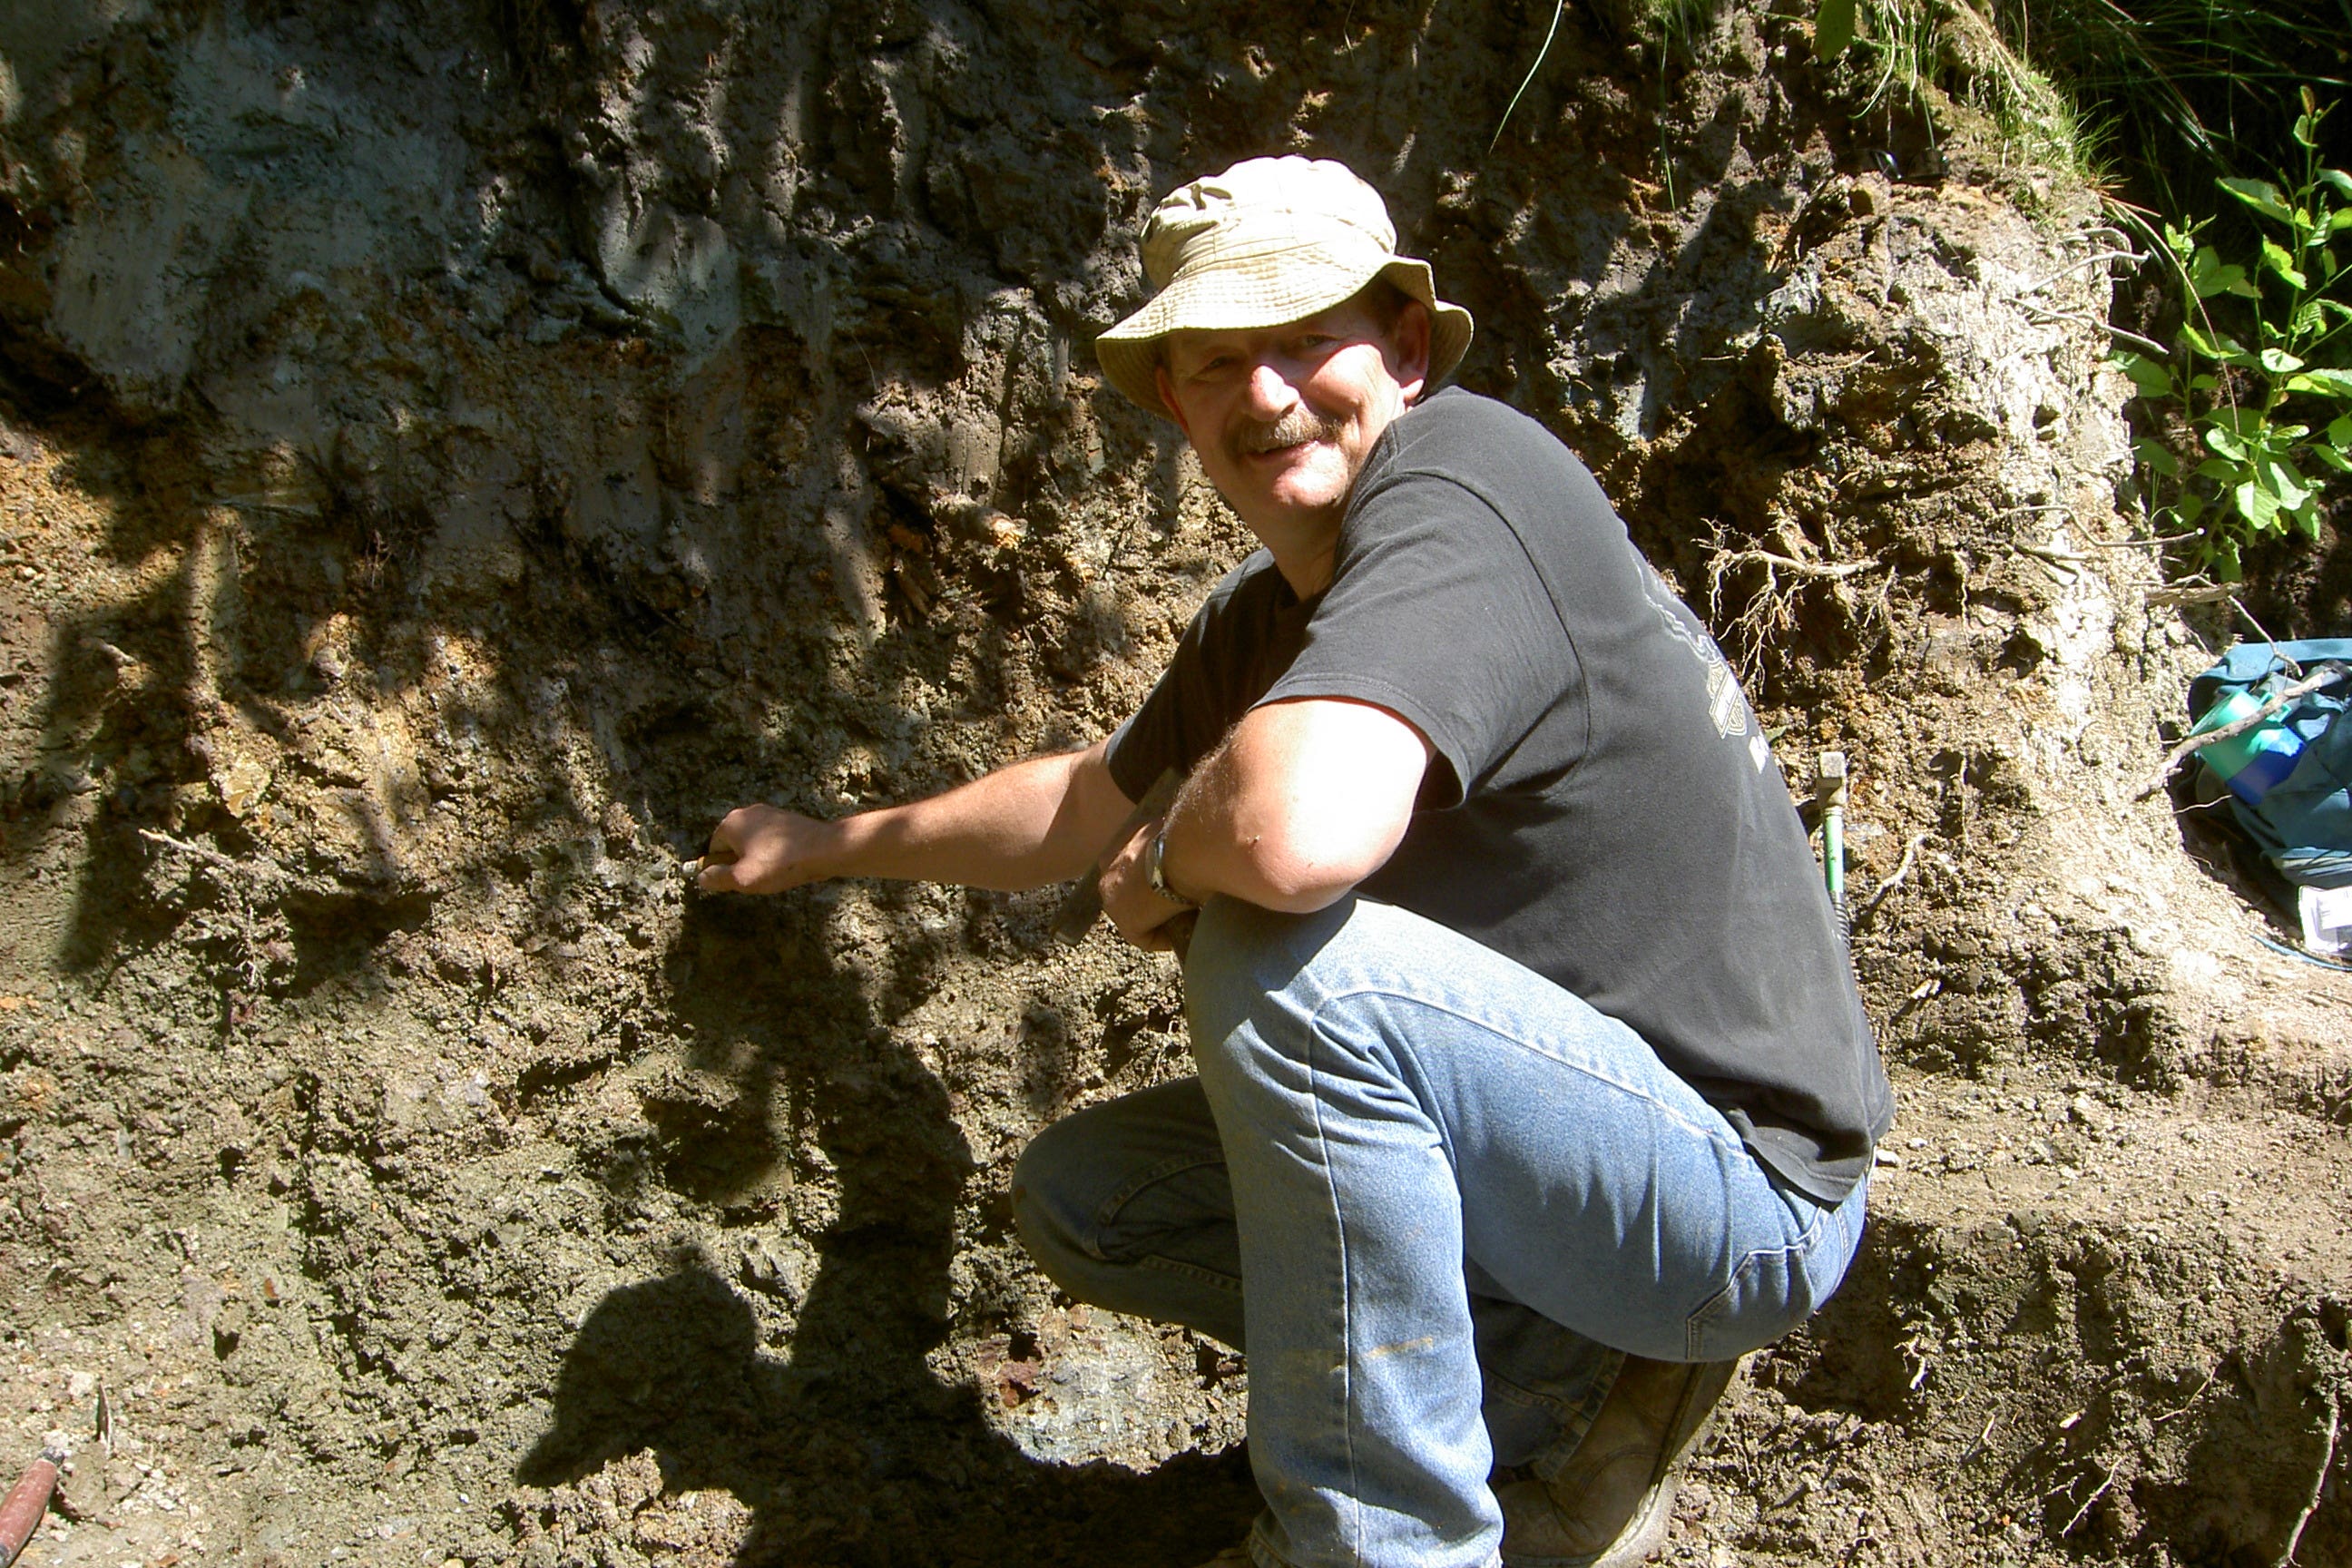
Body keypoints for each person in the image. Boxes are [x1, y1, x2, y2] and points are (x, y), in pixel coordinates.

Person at [699, 156, 1895, 1568]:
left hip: (1735, 1197)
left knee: (1285, 964)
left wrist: (1170, 873)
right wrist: (827, 846)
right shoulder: (1265, 619)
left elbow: (1287, 834)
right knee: (1096, 1202)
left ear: (1399, 344)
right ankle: (1552, 1405)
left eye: (1305, 340)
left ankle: (1384, 1547)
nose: (1265, 395)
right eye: (1217, 363)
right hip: (1571, 1162)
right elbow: (1081, 807)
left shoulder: (1472, 475)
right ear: (1173, 403)